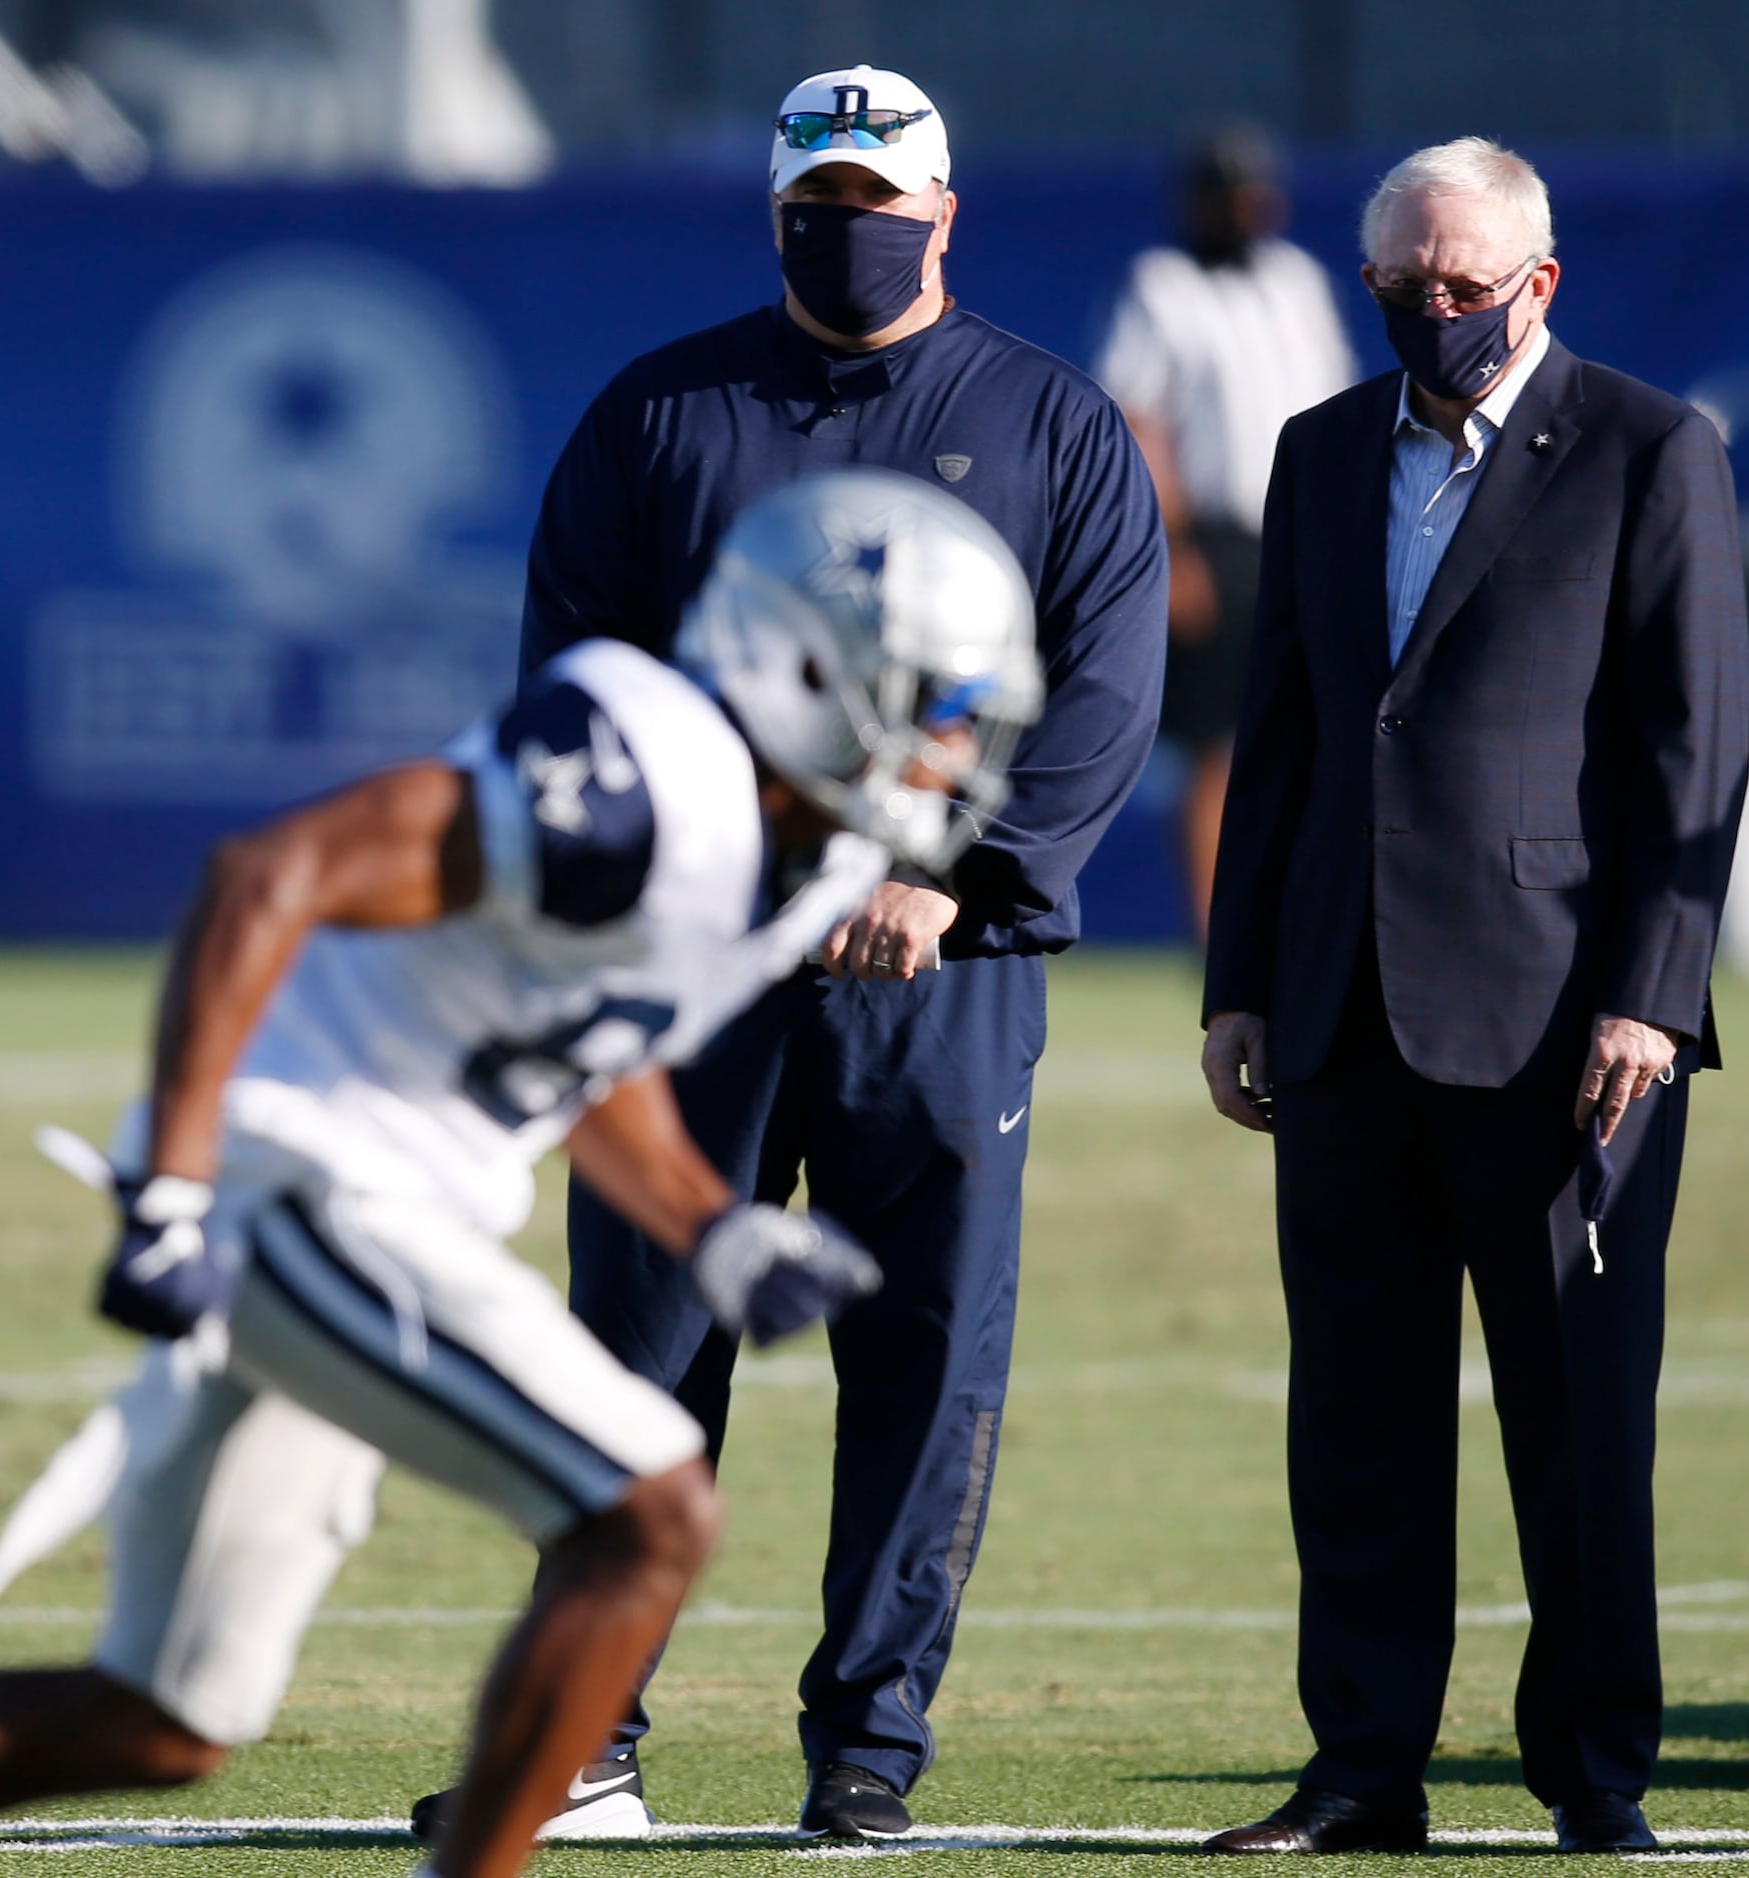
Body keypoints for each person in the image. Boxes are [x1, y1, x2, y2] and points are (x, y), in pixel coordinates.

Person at [0, 470, 1045, 1878]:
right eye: (940, 707)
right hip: (300, 1180)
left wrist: (713, 1228)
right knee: (648, 1514)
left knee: (156, 1720)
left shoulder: (803, 858)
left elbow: (579, 1040)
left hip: (376, 1203)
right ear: (817, 667)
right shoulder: (641, 761)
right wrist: (176, 1189)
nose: (956, 752)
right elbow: (270, 873)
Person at [420, 59, 1164, 1845]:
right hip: (700, 973)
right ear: (776, 217)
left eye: (876, 210)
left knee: (919, 1352)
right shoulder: (662, 413)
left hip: (938, 974)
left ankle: (869, 1746)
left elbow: (1106, 684)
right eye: (816, 211)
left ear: (942, 217)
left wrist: (960, 877)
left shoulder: (1048, 422)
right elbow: (570, 678)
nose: (846, 237)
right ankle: (591, 1730)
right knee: (637, 1339)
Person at [1198, 138, 1749, 1857]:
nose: (1430, 312)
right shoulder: (1317, 452)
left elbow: (1692, 747)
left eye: (1459, 285)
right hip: (1341, 1013)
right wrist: (1237, 987)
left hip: (1565, 1028)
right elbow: (1280, 736)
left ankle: (1594, 1770)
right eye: (1399, 288)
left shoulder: (1651, 447)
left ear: (1536, 281)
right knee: (1352, 1423)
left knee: (1576, 1418)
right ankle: (1362, 1766)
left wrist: (1649, 995)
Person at [1093, 124, 1357, 939]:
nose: (1248, 208)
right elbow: (1140, 417)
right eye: (1230, 194)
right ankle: (1220, 937)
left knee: (1316, 733)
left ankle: (1301, 925)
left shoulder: (1295, 280)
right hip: (1218, 534)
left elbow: (1335, 402)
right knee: (1217, 744)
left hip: (1306, 528)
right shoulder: (1163, 284)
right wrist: (1171, 550)